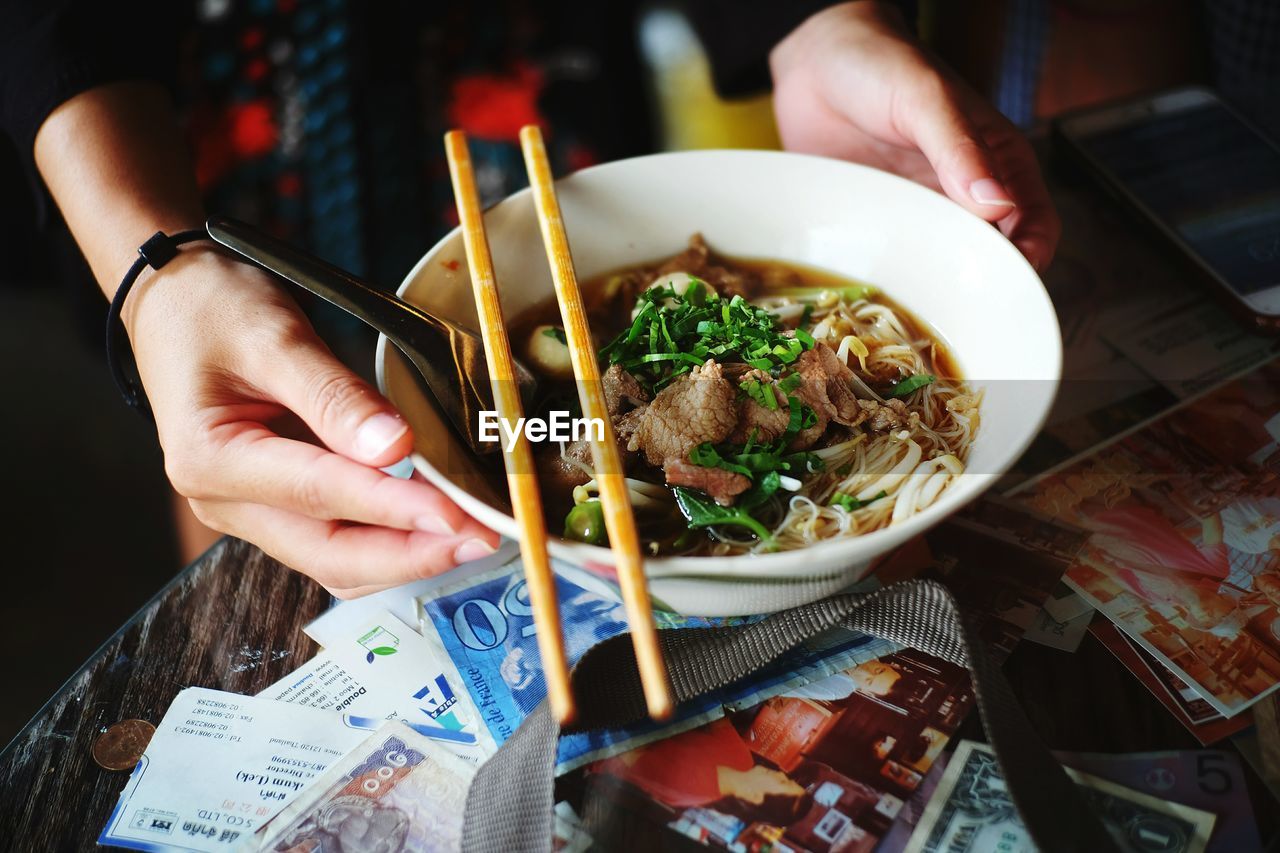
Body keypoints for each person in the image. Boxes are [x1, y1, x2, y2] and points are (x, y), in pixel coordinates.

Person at [3, 1, 1058, 595]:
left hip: (537, 91)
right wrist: (155, 271)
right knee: (261, 488)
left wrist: (812, 23)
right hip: (203, 120)